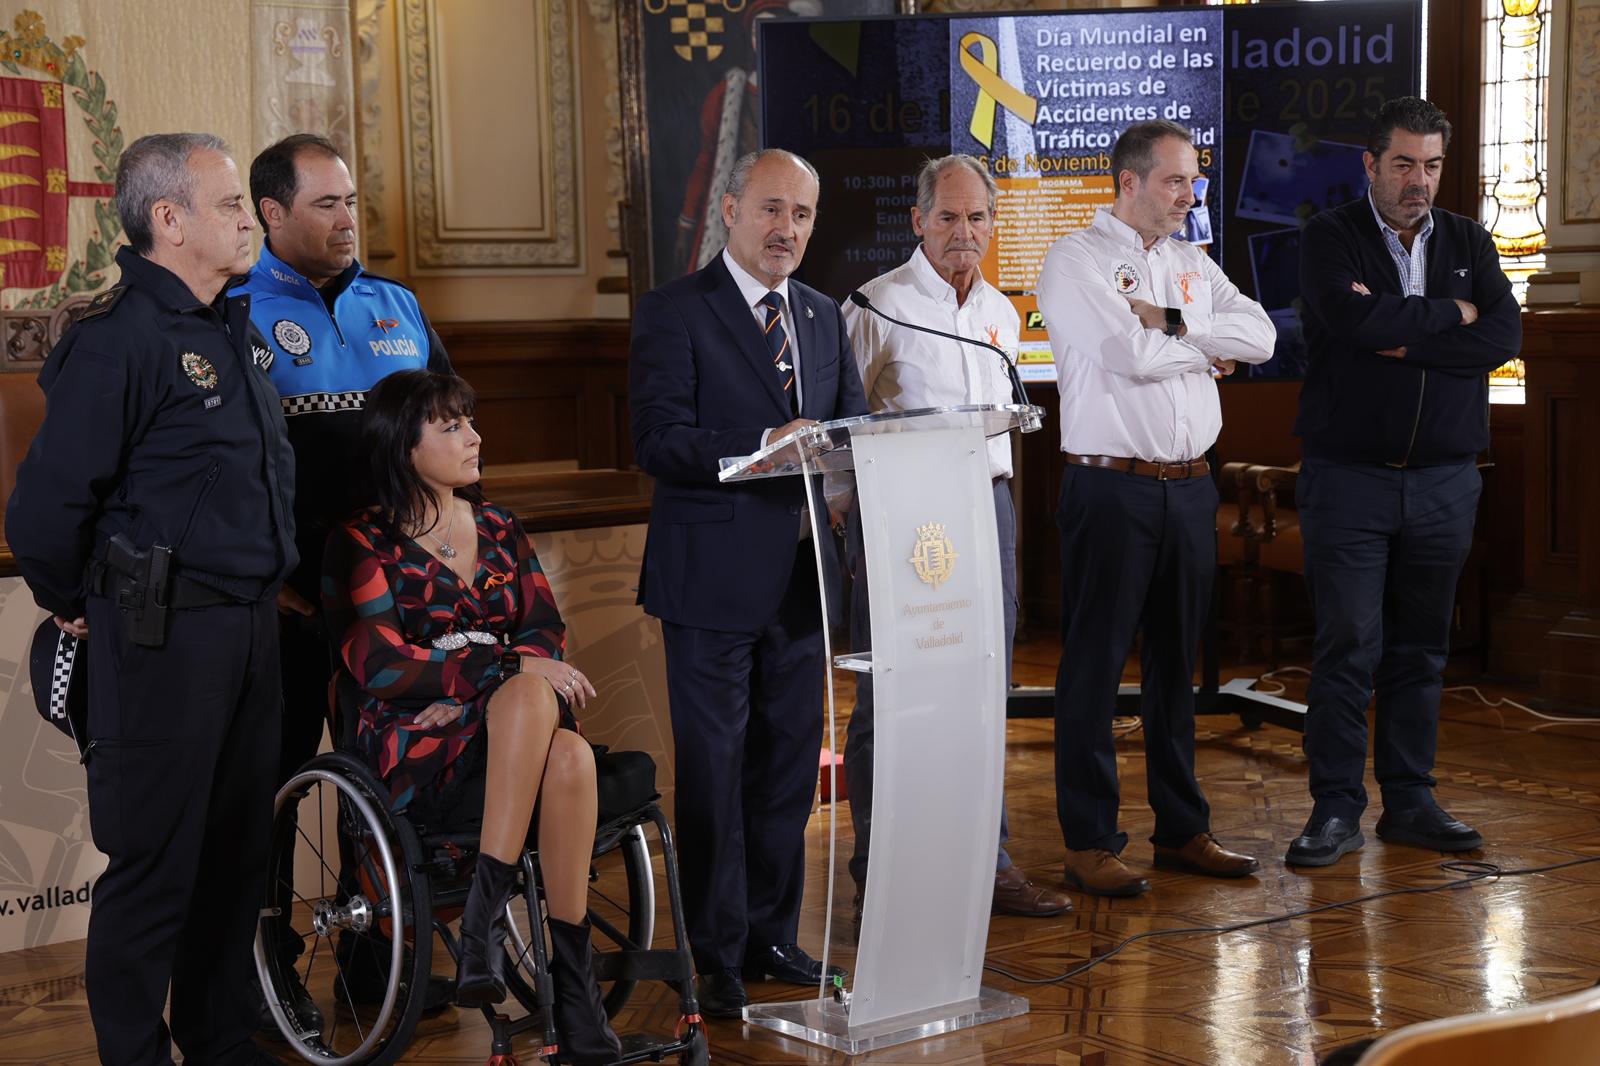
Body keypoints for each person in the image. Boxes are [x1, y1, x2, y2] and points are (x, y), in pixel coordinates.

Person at [5, 132, 296, 1065]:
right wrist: (75, 600)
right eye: (230, 205)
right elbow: (45, 508)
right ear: (169, 219)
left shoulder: (230, 328)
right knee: (156, 864)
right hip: (162, 634)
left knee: (235, 857)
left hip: (249, 631)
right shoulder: (117, 341)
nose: (247, 220)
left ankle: (220, 1041)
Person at [629, 147, 869, 1017]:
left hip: (804, 584)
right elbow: (658, 439)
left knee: (786, 775)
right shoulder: (674, 311)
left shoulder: (822, 315)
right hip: (711, 584)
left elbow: (849, 425)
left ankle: (771, 936)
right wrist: (762, 446)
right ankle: (714, 951)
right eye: (771, 209)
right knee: (716, 773)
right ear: (730, 209)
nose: (786, 229)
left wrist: (850, 469)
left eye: (801, 215)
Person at [320, 369, 621, 1062]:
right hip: (417, 741)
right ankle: (544, 969)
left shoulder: (500, 526)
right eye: (452, 426)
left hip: (511, 734)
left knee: (567, 747)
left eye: (470, 421)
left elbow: (544, 630)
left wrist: (494, 676)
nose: (475, 437)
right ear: (403, 445)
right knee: (536, 704)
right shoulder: (361, 542)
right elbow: (379, 662)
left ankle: (515, 946)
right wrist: (498, 671)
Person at [236, 132, 455, 1016]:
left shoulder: (397, 305)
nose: (347, 219)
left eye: (351, 201)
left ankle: (381, 966)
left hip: (394, 604)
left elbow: (451, 437)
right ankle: (265, 980)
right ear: (271, 213)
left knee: (394, 779)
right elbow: (225, 469)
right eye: (325, 204)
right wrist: (272, 574)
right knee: (272, 790)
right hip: (287, 603)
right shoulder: (233, 309)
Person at [1035, 120, 1273, 898]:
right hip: (1112, 487)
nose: (1190, 195)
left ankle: (1182, 830)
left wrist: (1171, 321)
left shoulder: (1191, 263)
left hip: (1192, 486)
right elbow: (1126, 358)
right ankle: (1089, 841)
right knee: (1096, 666)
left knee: (1177, 665)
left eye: (1194, 181)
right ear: (1129, 182)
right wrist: (1207, 351)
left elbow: (1263, 337)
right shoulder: (1075, 258)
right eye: (1176, 181)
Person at [1286, 98, 1521, 867]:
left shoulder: (1469, 239)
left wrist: (1405, 332)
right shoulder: (1330, 237)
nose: (1419, 180)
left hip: (1447, 482)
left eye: (1432, 165)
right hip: (1349, 479)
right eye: (1404, 164)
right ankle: (1334, 808)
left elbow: (1504, 336)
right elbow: (1352, 325)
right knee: (1349, 645)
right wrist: (1452, 315)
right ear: (1371, 164)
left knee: (1421, 650)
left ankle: (1411, 801)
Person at [840, 153, 1072, 922]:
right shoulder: (877, 304)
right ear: (918, 221)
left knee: (982, 687)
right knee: (891, 692)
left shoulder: (1001, 313)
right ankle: (880, 870)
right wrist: (848, 515)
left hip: (988, 505)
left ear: (993, 224)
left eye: (976, 217)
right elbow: (839, 421)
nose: (962, 232)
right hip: (905, 517)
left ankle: (984, 864)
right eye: (947, 217)